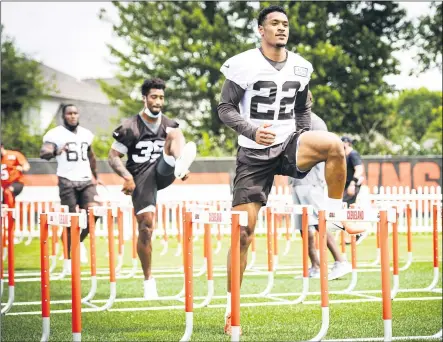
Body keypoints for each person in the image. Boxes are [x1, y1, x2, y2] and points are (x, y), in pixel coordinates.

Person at [217, 5, 353, 334]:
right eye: (275, 23)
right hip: (253, 154)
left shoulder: (300, 66)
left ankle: (334, 213)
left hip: (288, 142)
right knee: (244, 233)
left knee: (334, 145)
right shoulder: (244, 64)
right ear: (260, 30)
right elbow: (225, 107)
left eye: (285, 24)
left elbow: (303, 105)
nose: (281, 28)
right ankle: (230, 306)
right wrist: (251, 130)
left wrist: (302, 134)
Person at [108, 77, 197, 300]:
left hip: (164, 168)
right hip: (141, 177)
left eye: (161, 97)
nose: (158, 101)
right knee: (146, 226)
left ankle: (180, 163)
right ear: (144, 98)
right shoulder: (129, 127)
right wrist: (127, 177)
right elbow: (112, 157)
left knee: (175, 132)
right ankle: (148, 280)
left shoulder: (169, 124)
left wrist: (178, 162)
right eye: (154, 97)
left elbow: (174, 134)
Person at [289, 99, 351, 280]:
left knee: (319, 222)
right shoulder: (291, 120)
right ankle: (315, 266)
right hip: (296, 180)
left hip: (312, 181)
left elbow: (327, 152)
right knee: (302, 226)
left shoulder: (316, 123)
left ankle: (340, 261)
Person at [40, 104, 100, 268]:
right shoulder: (55, 134)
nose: (73, 116)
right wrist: (55, 151)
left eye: (75, 113)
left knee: (94, 213)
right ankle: (68, 259)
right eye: (69, 113)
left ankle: (77, 242)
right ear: (63, 116)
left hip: (86, 180)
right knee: (71, 220)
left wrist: (95, 175)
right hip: (67, 180)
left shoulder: (86, 133)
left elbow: (90, 155)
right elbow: (43, 153)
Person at [341, 136, 366, 244]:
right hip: (347, 186)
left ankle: (359, 232)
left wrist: (352, 184)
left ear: (347, 143)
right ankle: (353, 234)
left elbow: (359, 169)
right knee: (347, 209)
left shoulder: (353, 154)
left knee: (344, 208)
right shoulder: (345, 155)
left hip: (352, 185)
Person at [1, 143, 30, 208]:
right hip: (4, 186)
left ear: (1, 147)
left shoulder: (14, 155)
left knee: (8, 191)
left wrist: (22, 168)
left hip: (17, 182)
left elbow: (26, 166)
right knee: (6, 197)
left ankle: (11, 213)